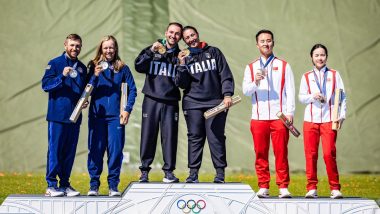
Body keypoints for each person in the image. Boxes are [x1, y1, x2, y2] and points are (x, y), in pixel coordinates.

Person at [176, 26, 235, 183]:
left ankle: (220, 174)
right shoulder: (184, 57)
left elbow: (225, 74)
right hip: (192, 103)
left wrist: (227, 94)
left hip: (215, 103)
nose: (191, 39)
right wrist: (182, 65)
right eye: (187, 38)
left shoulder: (214, 52)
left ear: (198, 34)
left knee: (215, 137)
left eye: (193, 35)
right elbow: (182, 84)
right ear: (184, 41)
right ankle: (193, 174)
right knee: (195, 137)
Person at [242, 29, 295, 198]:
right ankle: (263, 186)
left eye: (269, 40)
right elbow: (246, 91)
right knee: (260, 153)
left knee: (281, 152)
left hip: (279, 117)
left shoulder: (284, 65)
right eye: (262, 41)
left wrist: (290, 112)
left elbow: (290, 91)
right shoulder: (250, 67)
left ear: (273, 43)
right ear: (257, 44)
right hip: (258, 117)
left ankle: (283, 186)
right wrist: (255, 81)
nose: (266, 43)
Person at [86, 35, 137, 196]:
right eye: (105, 47)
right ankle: (93, 186)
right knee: (96, 150)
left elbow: (133, 90)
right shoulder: (93, 66)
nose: (108, 50)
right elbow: (86, 90)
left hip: (116, 117)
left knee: (115, 151)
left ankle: (113, 186)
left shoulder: (123, 68)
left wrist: (127, 109)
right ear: (101, 49)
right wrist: (94, 76)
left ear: (116, 49)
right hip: (97, 116)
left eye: (111, 47)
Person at [134, 22, 183, 183]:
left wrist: (182, 65)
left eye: (177, 34)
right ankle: (144, 171)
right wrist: (150, 51)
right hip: (151, 99)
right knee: (148, 135)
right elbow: (138, 66)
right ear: (165, 32)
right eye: (171, 32)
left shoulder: (181, 55)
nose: (173, 36)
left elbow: (183, 82)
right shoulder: (153, 48)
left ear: (180, 37)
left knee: (169, 137)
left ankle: (168, 172)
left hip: (170, 101)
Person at [41, 34, 88, 197]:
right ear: (65, 45)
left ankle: (65, 184)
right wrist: (62, 75)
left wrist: (84, 101)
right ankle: (51, 185)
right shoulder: (54, 63)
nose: (75, 48)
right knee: (55, 150)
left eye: (78, 46)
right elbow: (45, 86)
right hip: (57, 116)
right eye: (72, 45)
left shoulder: (82, 68)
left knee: (69, 152)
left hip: (74, 117)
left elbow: (83, 91)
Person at [299, 44, 346, 199]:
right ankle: (311, 187)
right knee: (311, 155)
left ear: (326, 57)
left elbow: (342, 96)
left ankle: (335, 188)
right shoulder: (306, 76)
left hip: (328, 120)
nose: (320, 58)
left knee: (328, 154)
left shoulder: (334, 74)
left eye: (323, 55)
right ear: (311, 57)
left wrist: (341, 115)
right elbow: (301, 97)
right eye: (317, 55)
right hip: (310, 121)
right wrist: (313, 95)